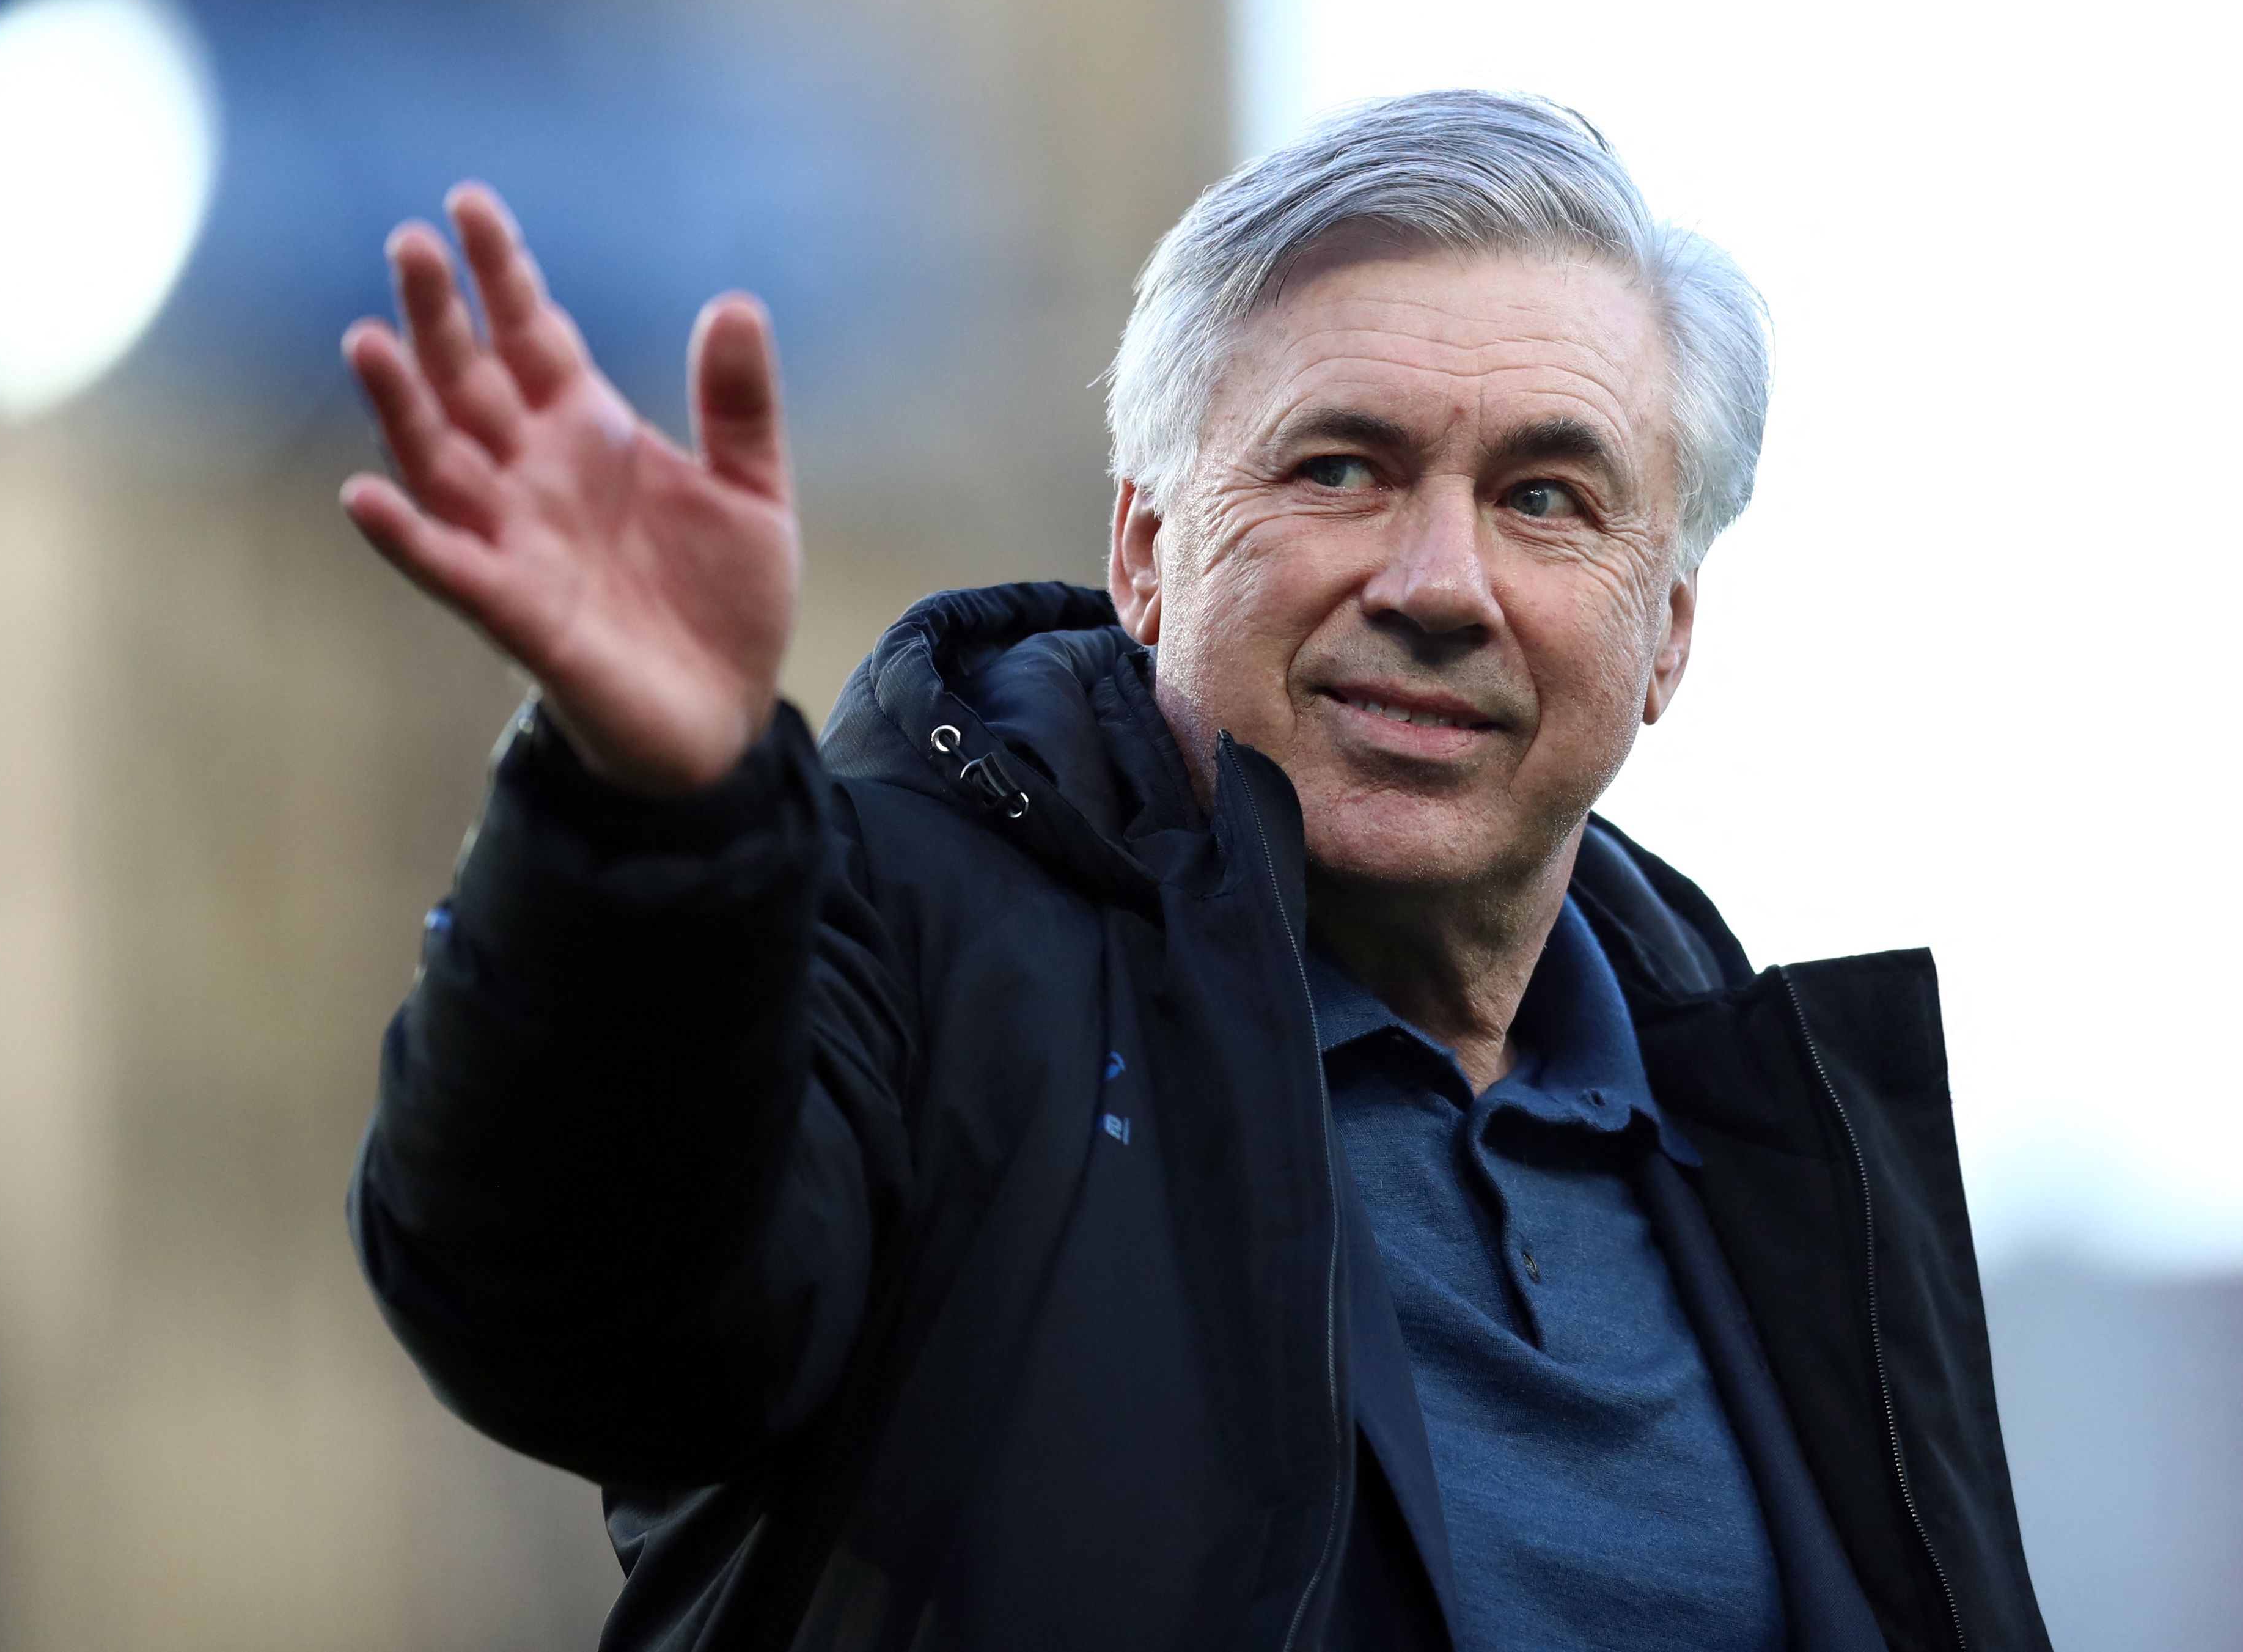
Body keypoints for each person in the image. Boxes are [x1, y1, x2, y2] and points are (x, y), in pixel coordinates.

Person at [340, 92, 2050, 1651]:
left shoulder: (1772, 1115)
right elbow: (579, 1307)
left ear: (1664, 633)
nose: (1439, 581)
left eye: (1543, 495)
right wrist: (647, 815)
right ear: (1144, 555)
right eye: (1339, 468)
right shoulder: (896, 936)